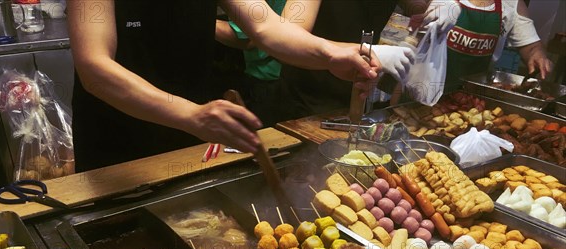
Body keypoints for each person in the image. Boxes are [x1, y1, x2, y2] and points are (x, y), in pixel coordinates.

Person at [67, 0, 379, 172]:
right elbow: (94, 67)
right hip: (116, 146)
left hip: (188, 139)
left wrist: (329, 54)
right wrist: (190, 114)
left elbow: (266, 26)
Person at [278, 0, 426, 119]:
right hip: (309, 95)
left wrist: (439, 6)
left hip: (362, 89)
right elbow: (285, 40)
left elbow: (416, 6)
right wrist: (365, 51)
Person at [421, 0, 553, 91]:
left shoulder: (511, 4)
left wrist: (537, 55)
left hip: (470, 95)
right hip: (423, 86)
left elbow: (532, 47)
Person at [215, 1, 287, 127]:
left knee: (269, 139)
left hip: (271, 81)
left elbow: (247, 39)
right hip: (265, 77)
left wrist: (197, 19)